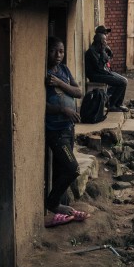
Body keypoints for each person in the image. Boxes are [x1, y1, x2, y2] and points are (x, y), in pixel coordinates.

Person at [44, 37, 89, 228]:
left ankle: (61, 210)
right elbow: (41, 104)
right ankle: (52, 203)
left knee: (61, 170)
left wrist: (60, 84)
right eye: (54, 51)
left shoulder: (63, 71)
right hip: (56, 132)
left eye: (61, 51)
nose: (58, 55)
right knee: (73, 169)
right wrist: (63, 110)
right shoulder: (45, 74)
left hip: (68, 129)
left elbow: (78, 92)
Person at [85, 29, 128, 111]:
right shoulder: (91, 51)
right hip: (95, 75)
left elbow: (108, 59)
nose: (106, 42)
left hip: (104, 72)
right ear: (100, 41)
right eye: (104, 40)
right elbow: (99, 68)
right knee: (122, 82)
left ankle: (118, 104)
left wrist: (105, 51)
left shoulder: (100, 49)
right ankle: (111, 105)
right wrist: (102, 52)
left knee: (124, 80)